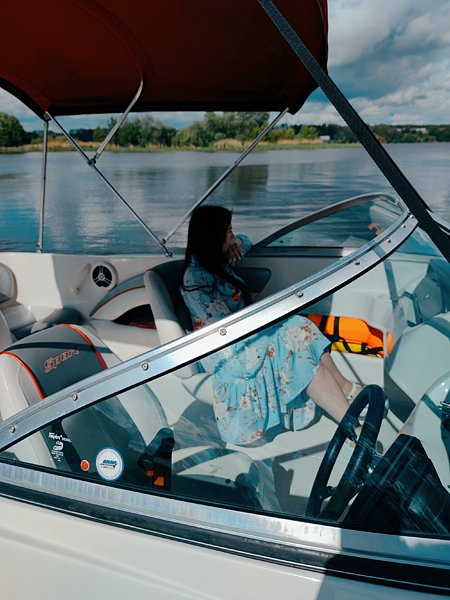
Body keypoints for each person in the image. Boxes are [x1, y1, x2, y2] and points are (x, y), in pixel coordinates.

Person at [181, 205, 362, 446]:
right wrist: (269, 323)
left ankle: (348, 390)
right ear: (212, 235)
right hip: (228, 351)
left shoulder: (215, 260)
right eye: (228, 231)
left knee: (299, 324)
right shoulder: (195, 278)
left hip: (243, 336)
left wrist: (236, 243)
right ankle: (352, 426)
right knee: (294, 346)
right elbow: (224, 328)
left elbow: (246, 241)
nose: (232, 235)